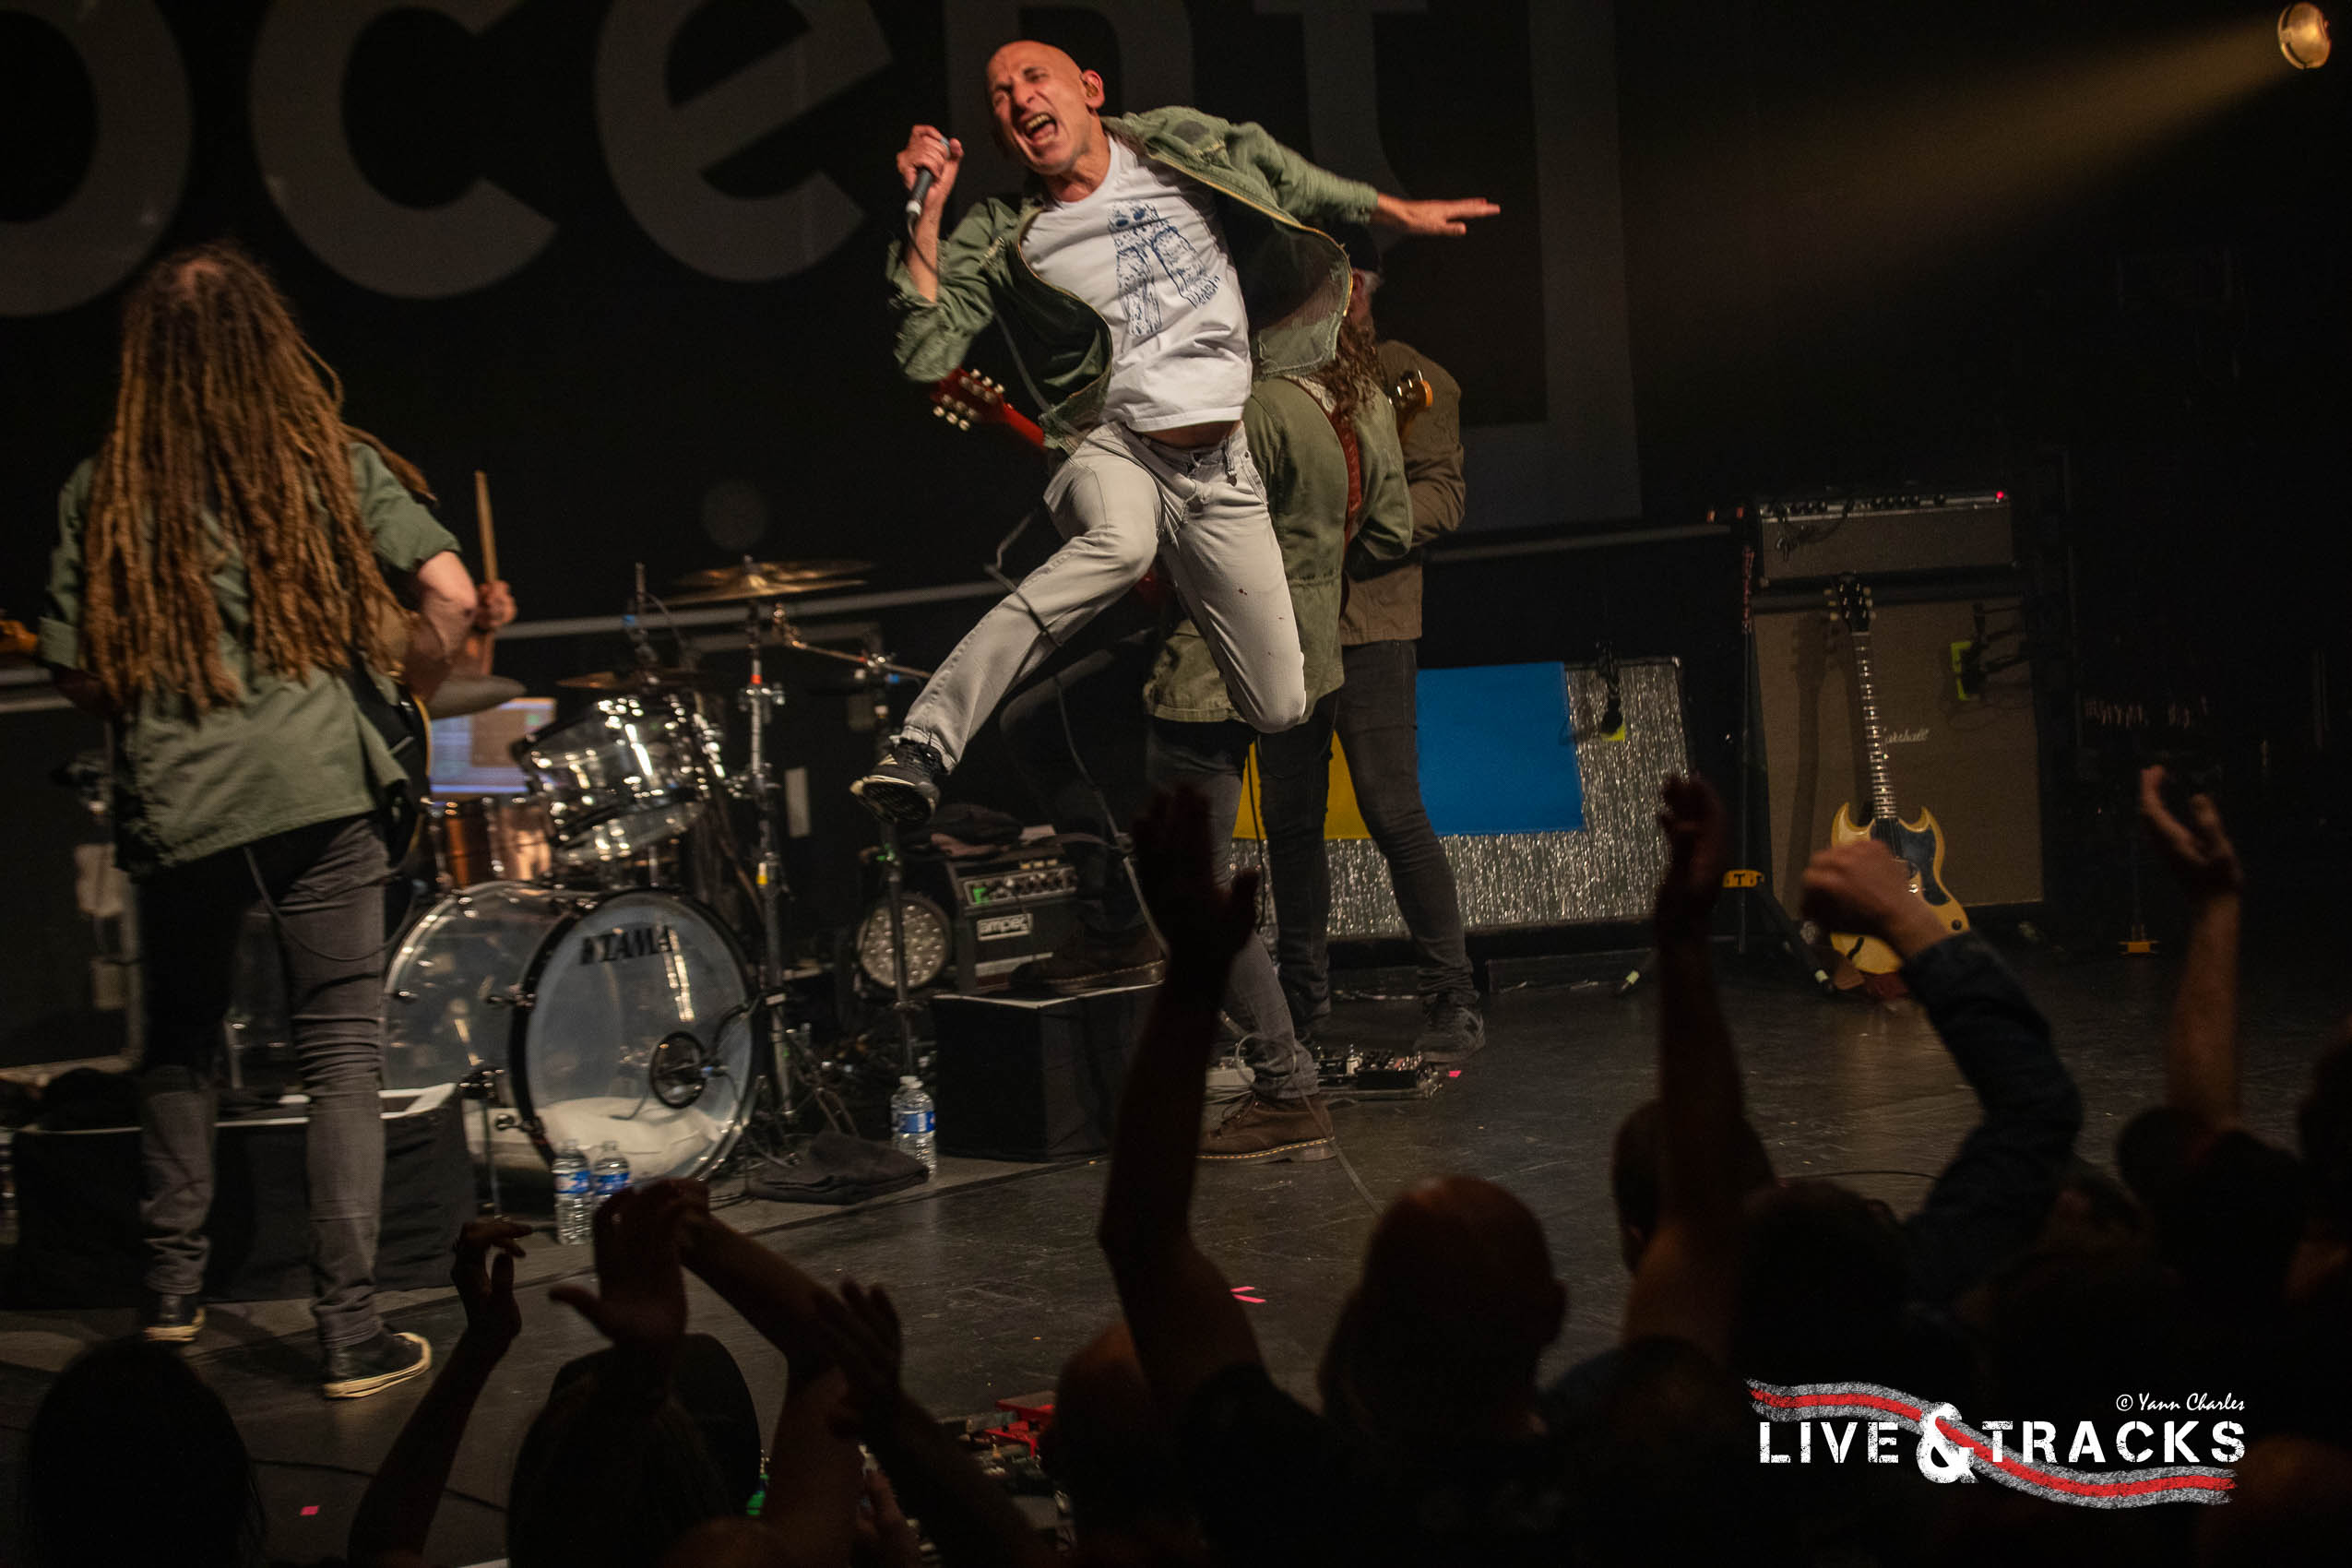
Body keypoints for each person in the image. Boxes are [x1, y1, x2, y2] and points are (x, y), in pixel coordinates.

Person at [38, 242, 478, 1396]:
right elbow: (451, 595)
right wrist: (404, 683)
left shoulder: (103, 490)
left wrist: (161, 694)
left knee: (180, 1034)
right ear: (267, 343)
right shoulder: (328, 462)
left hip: (181, 797)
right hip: (321, 788)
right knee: (341, 1052)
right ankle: (349, 1332)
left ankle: (171, 1294)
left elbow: (77, 671)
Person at [855, 40, 1497, 826]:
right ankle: (922, 744)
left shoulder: (1181, 145)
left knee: (1281, 702)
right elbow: (925, 352)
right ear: (1003, 137)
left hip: (1222, 468)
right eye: (999, 95)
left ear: (1090, 90)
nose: (1019, 98)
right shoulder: (1004, 231)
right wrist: (925, 211)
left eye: (1034, 78)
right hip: (1113, 448)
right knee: (1122, 542)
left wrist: (1395, 212)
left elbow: (1286, 174)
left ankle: (1182, 616)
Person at [1002, 337, 1413, 1159]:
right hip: (1296, 655)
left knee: (1194, 893)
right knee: (1037, 722)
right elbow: (1390, 530)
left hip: (1210, 667)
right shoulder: (1354, 396)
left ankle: (1286, 1086)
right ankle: (1116, 923)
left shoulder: (1226, 409)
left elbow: (1156, 543)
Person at [1256, 229, 1483, 1062]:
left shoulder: (1408, 376)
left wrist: (1351, 531)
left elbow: (1442, 499)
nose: (1334, 297)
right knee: (1290, 824)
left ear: (1364, 287)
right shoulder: (1274, 377)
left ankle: (1452, 994)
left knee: (1392, 809)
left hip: (1371, 624)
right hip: (1288, 628)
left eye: (1344, 282)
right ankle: (1300, 1003)